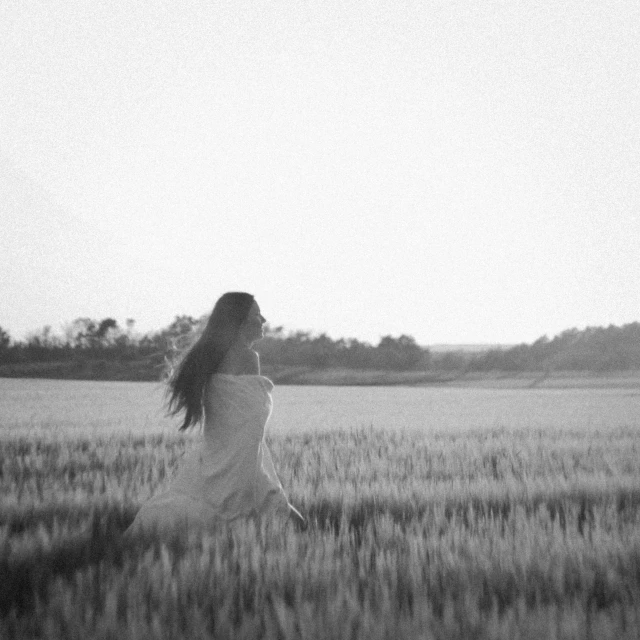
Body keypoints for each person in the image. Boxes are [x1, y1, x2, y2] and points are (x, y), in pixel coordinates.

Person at [124, 292, 306, 536]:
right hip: (242, 464)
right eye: (256, 315)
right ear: (240, 322)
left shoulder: (213, 357)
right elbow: (253, 418)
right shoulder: (247, 357)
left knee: (209, 520)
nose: (263, 320)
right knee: (289, 526)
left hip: (215, 457)